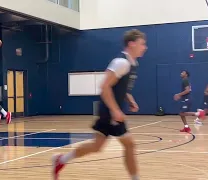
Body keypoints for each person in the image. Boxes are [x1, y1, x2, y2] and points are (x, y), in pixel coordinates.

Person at [51, 29, 147, 180]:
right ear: (132, 44)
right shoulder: (121, 62)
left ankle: (61, 160)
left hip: (110, 111)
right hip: (110, 112)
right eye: (142, 44)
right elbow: (105, 87)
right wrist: (115, 110)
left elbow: (119, 87)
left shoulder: (132, 64)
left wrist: (130, 99)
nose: (145, 47)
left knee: (97, 146)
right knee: (129, 144)